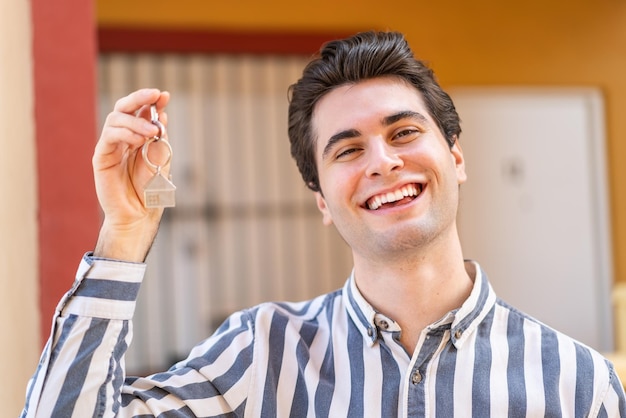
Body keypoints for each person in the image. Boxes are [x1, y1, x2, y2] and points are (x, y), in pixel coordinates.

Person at [21, 31, 625, 417]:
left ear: (456, 157)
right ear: (320, 198)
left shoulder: (579, 382)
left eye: (404, 132)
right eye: (347, 149)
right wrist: (123, 235)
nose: (383, 162)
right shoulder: (260, 355)